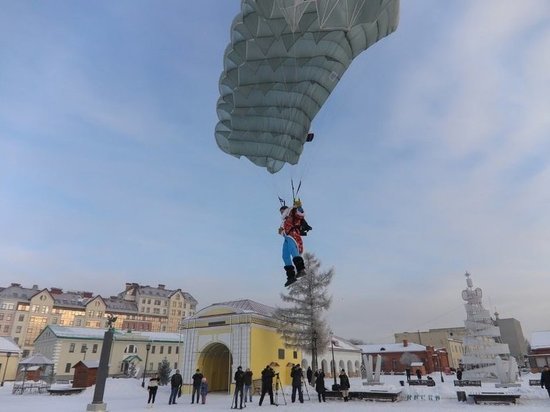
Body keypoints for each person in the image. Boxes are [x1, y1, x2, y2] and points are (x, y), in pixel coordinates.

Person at [279, 199, 310, 287]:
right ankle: (291, 276)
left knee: (293, 250)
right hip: (286, 237)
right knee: (285, 256)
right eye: (280, 212)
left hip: (293, 235)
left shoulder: (292, 213)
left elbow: (300, 214)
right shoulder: (283, 221)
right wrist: (281, 230)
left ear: (286, 210)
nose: (281, 213)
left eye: (282, 211)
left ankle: (301, 269)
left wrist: (298, 206)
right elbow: (281, 231)